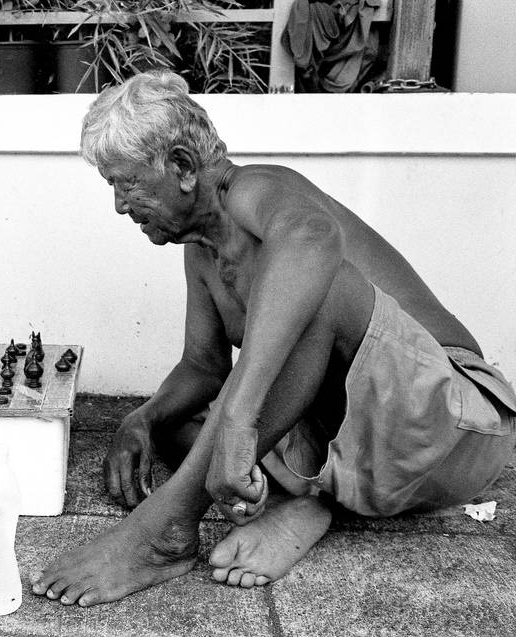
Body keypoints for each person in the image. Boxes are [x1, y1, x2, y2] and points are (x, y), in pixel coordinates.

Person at [31, 70, 516, 606]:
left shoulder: (258, 189)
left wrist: (240, 419)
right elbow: (201, 366)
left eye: (125, 184)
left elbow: (314, 239)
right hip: (362, 454)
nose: (121, 205)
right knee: (180, 428)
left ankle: (167, 528)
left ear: (183, 167)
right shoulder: (201, 251)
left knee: (318, 288)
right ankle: (308, 503)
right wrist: (141, 418)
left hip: (454, 426)